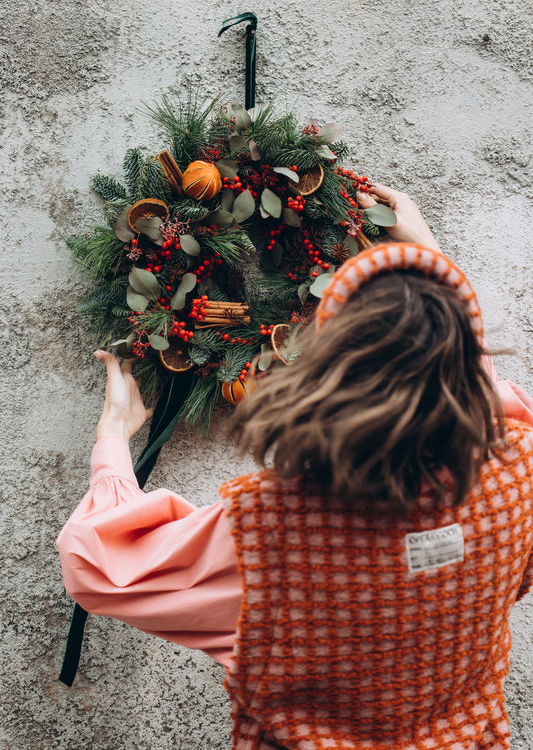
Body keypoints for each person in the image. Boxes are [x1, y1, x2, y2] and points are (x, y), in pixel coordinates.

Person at [57, 184, 533, 750]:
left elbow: (100, 566)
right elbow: (476, 392)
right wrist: (425, 262)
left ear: (326, 368)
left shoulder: (272, 531)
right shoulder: (520, 472)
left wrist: (112, 441)